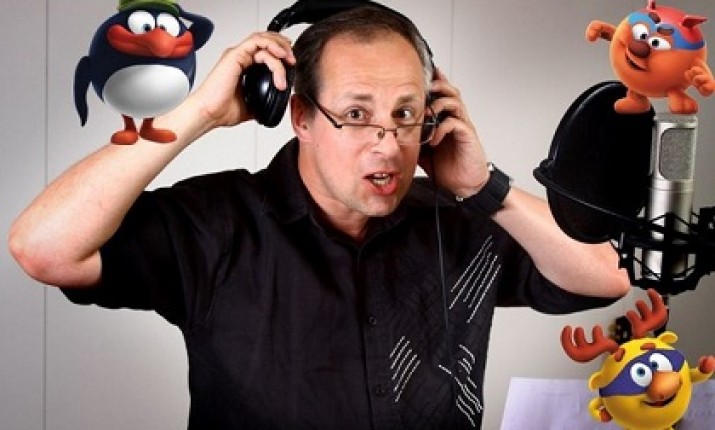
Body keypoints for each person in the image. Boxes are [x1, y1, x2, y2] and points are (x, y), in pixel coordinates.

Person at [8, 4, 631, 430]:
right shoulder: (216, 224)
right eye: (356, 115)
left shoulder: (461, 219)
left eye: (406, 113)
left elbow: (608, 274)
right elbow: (43, 247)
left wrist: (483, 186)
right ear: (301, 116)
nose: (388, 144)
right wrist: (199, 113)